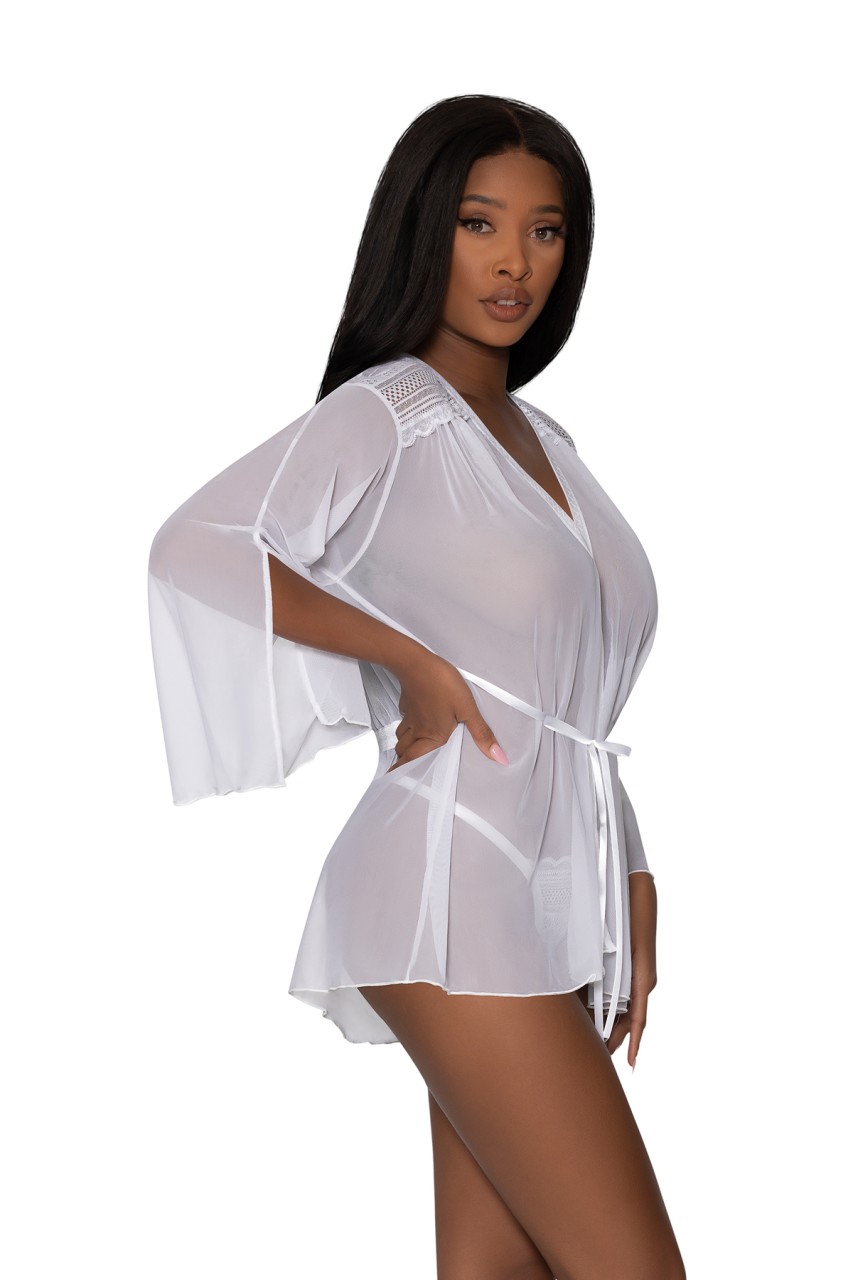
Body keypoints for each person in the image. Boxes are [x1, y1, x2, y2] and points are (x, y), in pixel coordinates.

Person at [148, 94, 686, 1280]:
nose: (513, 261)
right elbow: (198, 546)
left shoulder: (549, 438)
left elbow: (570, 697)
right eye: (478, 223)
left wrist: (632, 870)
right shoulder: (387, 412)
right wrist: (409, 660)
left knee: (497, 1268)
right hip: (450, 875)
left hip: (551, 882)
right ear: (422, 228)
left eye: (545, 230)